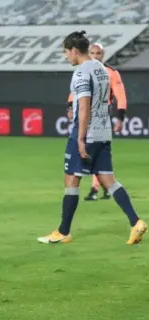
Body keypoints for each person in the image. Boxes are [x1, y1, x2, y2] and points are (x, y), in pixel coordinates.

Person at [38, 31, 146, 246]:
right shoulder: (102, 70)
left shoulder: (81, 73)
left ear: (75, 51)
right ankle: (136, 222)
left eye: (66, 52)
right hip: (104, 132)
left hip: (86, 132)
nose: (66, 57)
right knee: (108, 180)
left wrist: (80, 138)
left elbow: (84, 105)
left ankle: (63, 231)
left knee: (71, 179)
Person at [66, 42, 127, 201]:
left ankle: (65, 224)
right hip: (95, 122)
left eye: (98, 53)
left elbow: (120, 95)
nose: (95, 56)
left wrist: (120, 116)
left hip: (97, 119)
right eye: (92, 52)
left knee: (76, 172)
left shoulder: (109, 72)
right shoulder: (87, 70)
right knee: (101, 164)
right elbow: (75, 93)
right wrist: (70, 106)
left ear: (103, 54)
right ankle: (100, 188)